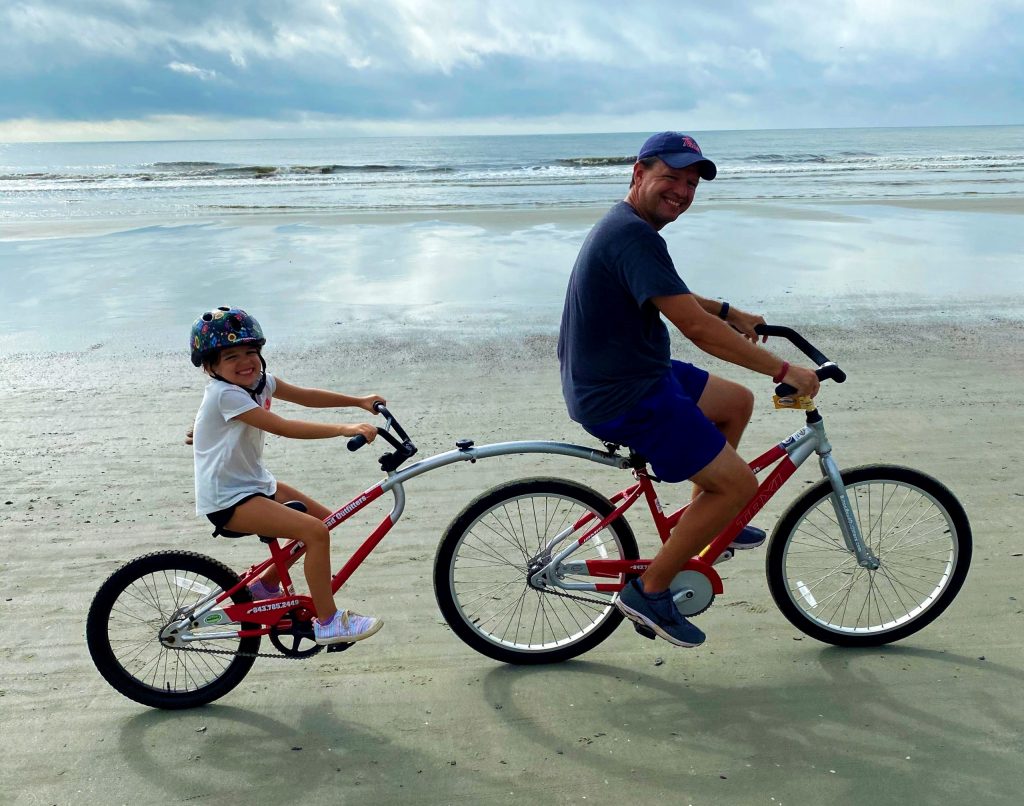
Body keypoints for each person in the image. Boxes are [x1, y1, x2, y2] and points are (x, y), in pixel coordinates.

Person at [557, 132, 820, 648]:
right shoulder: (633, 234)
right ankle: (649, 591)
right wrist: (783, 370)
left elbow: (668, 293)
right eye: (671, 177)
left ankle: (701, 523)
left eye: (691, 183)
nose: (681, 191)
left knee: (735, 403)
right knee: (740, 486)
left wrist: (729, 311)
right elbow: (695, 331)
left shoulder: (628, 227)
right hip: (623, 393)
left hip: (631, 372)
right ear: (638, 173)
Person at [189, 306, 385, 646]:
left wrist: (359, 401)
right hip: (228, 499)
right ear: (211, 367)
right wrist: (344, 428)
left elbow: (305, 396)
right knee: (315, 532)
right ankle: (328, 621)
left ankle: (264, 586)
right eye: (231, 356)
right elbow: (284, 427)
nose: (245, 361)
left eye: (251, 352)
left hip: (254, 485)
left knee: (327, 520)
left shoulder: (257, 383)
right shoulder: (226, 394)